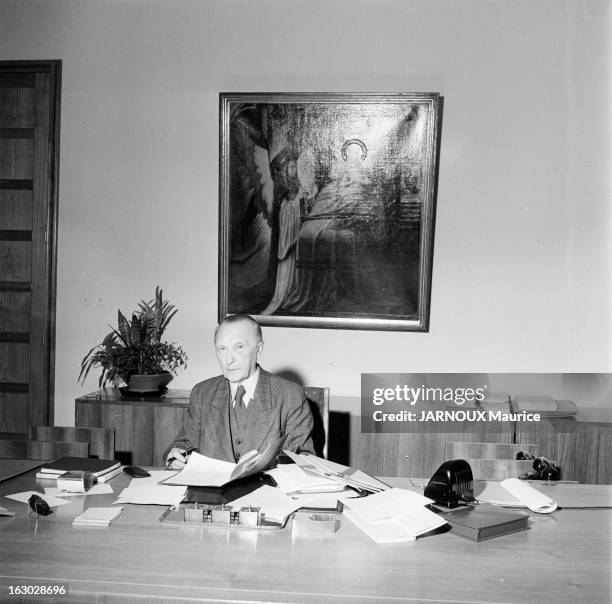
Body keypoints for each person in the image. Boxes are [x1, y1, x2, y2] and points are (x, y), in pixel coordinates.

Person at [164, 314, 314, 468]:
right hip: (211, 490)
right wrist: (176, 454)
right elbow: (184, 443)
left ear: (259, 349)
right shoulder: (202, 393)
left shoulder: (289, 395)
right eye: (222, 349)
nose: (228, 359)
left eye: (239, 347)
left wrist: (271, 464)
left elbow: (304, 458)